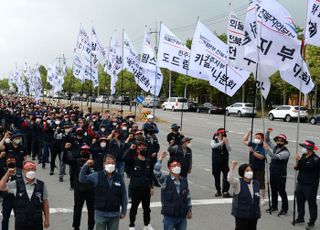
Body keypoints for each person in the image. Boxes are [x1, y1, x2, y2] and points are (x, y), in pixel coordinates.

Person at [79, 154, 127, 230]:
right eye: (108, 163)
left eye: (112, 163)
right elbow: (82, 179)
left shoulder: (119, 177)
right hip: (100, 214)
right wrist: (86, 165)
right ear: (104, 164)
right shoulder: (97, 176)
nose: (110, 165)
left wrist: (124, 211)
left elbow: (123, 194)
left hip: (114, 214)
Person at [0, 161, 50, 230]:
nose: (31, 171)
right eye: (28, 169)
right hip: (21, 222)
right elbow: (1, 187)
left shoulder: (41, 185)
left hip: (37, 222)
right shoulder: (16, 184)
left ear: (35, 170)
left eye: (33, 169)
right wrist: (7, 174)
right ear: (23, 171)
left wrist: (47, 219)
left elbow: (45, 202)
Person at [154, 152, 192, 230]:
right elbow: (156, 172)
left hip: (182, 216)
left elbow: (188, 197)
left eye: (178, 165)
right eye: (174, 165)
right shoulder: (165, 180)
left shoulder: (184, 181)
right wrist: (160, 159)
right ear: (170, 168)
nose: (177, 167)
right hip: (169, 216)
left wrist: (189, 210)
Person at [123, 143, 154, 230]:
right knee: (134, 208)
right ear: (138, 150)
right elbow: (124, 159)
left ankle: (147, 224)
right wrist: (130, 149)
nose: (143, 149)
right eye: (141, 148)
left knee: (147, 209)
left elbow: (150, 175)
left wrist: (151, 187)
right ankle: (132, 225)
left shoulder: (148, 161)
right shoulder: (133, 160)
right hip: (135, 189)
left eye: (144, 147)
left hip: (146, 189)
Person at [294, 140, 320, 230]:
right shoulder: (304, 156)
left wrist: (299, 162)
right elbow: (299, 167)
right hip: (301, 182)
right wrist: (296, 165)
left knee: (311, 203)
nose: (303, 149)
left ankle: (311, 222)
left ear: (309, 149)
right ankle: (300, 218)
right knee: (300, 201)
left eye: (304, 147)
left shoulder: (316, 159)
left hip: (310, 185)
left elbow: (306, 168)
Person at [228, 161, 261, 230]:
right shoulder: (238, 183)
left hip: (253, 214)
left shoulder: (256, 183)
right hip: (241, 215)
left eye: (251, 170)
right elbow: (230, 179)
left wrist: (260, 204)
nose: (250, 172)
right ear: (242, 172)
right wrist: (232, 167)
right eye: (247, 170)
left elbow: (258, 197)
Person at [264, 128, 290, 215]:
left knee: (281, 191)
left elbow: (275, 157)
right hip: (273, 173)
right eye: (278, 140)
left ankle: (284, 208)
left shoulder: (286, 152)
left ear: (284, 142)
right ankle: (274, 206)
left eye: (281, 141)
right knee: (273, 190)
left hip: (280, 174)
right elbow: (267, 141)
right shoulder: (275, 147)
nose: (279, 142)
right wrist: (268, 132)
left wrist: (267, 149)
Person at [72, 145, 95, 230]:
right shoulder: (76, 161)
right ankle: (76, 226)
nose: (85, 151)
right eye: (83, 150)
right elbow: (65, 159)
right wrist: (67, 149)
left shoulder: (94, 163)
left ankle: (91, 227)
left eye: (87, 150)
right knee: (77, 209)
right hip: (79, 190)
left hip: (91, 190)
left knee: (92, 210)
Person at [242, 131, 266, 205]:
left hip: (259, 168)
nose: (257, 139)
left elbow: (261, 157)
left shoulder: (263, 146)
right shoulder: (253, 144)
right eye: (256, 137)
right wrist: (248, 133)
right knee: (251, 182)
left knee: (261, 183)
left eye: (259, 138)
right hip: (251, 167)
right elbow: (244, 141)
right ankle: (252, 195)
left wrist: (253, 152)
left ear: (262, 139)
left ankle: (262, 198)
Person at [1, 155, 22, 230]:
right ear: (6, 162)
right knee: (5, 219)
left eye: (13, 160)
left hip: (18, 199)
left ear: (16, 161)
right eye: (8, 160)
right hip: (7, 198)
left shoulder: (20, 171)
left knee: (19, 219)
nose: (11, 161)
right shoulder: (2, 171)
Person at [211, 128, 232, 198]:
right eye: (222, 134)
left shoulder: (226, 140)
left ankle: (225, 191)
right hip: (216, 161)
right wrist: (221, 142)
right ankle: (218, 191)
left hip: (224, 161)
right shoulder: (214, 140)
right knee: (216, 176)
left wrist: (226, 143)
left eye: (224, 134)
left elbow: (229, 149)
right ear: (218, 134)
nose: (223, 135)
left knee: (227, 176)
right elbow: (213, 146)